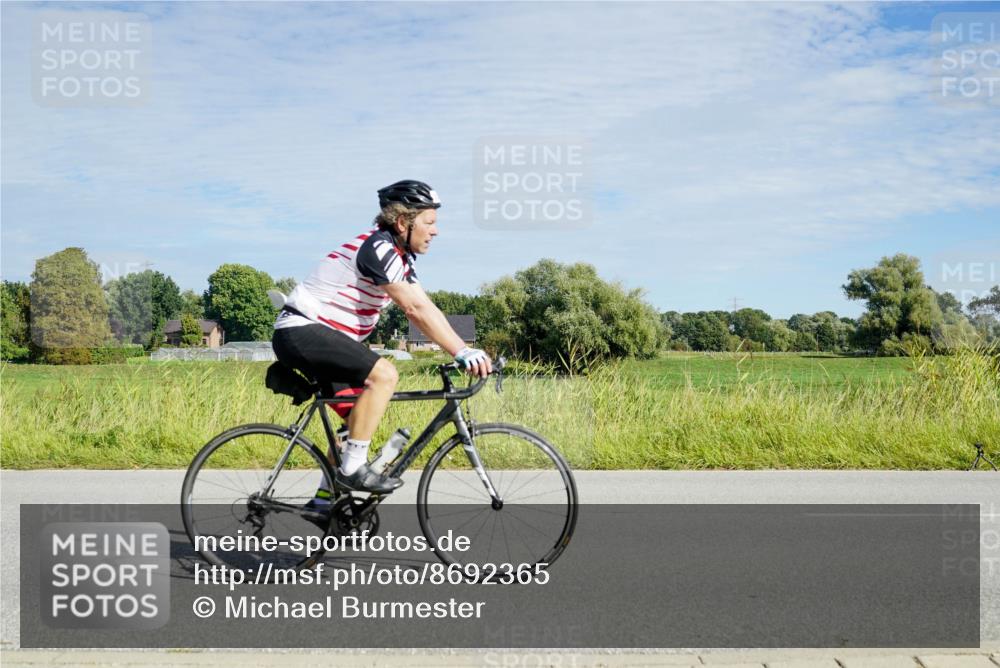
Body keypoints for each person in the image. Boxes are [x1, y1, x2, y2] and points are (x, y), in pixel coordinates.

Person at [271, 180, 492, 499]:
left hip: (316, 338)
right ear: (403, 222)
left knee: (356, 422)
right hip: (301, 330)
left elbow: (426, 306)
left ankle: (324, 505)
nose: (435, 231)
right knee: (386, 374)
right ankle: (351, 472)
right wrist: (461, 350)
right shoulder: (378, 248)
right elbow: (414, 309)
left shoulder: (399, 258)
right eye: (429, 222)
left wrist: (464, 348)